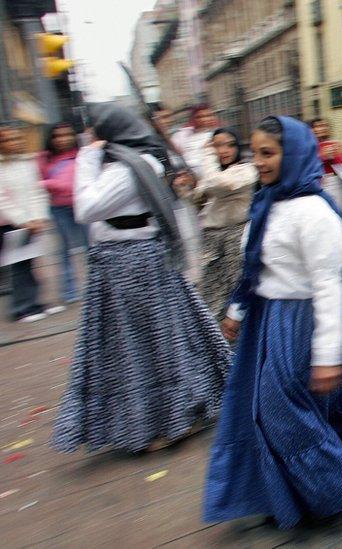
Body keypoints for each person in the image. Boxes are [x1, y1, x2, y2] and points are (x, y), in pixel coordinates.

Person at [204, 116, 342, 529]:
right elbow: (256, 268)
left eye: (268, 153)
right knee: (268, 410)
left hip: (301, 324)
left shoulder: (314, 212)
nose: (260, 162)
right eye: (255, 153)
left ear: (294, 153)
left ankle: (334, 486)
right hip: (268, 321)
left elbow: (329, 288)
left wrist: (328, 356)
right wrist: (237, 310)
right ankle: (297, 493)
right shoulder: (268, 201)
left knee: (279, 412)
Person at [50, 104, 229, 453]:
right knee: (136, 348)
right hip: (121, 264)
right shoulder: (125, 164)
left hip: (136, 265)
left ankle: (174, 419)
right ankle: (156, 419)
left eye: (96, 135)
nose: (93, 142)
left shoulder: (134, 166)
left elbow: (86, 210)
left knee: (152, 347)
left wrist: (86, 160)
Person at [178, 127, 257, 320]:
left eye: (229, 145)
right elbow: (202, 204)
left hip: (235, 238)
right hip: (211, 240)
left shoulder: (246, 170)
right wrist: (184, 188)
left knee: (236, 295)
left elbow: (222, 185)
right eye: (218, 146)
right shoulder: (212, 175)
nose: (223, 151)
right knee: (211, 298)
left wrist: (206, 154)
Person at [0, 123, 60, 322]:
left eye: (17, 138)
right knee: (18, 266)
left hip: (32, 222)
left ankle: (33, 303)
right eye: (8, 139)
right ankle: (22, 308)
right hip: (10, 224)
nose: (15, 143)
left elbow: (37, 192)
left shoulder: (27, 162)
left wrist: (39, 217)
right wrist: (23, 220)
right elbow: (2, 199)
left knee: (30, 263)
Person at [39, 122, 88, 304]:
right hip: (59, 209)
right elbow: (40, 182)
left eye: (67, 135)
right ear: (51, 139)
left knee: (91, 248)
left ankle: (97, 287)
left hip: (83, 206)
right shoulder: (44, 158)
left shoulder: (82, 154)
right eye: (58, 136)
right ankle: (69, 291)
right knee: (64, 250)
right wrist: (51, 184)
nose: (63, 139)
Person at [310, 117, 342, 212]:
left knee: (338, 213)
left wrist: (335, 156)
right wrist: (322, 157)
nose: (321, 128)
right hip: (317, 183)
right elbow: (307, 165)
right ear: (311, 130)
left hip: (335, 182)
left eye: (324, 125)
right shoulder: (309, 146)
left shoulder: (335, 144)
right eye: (317, 126)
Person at [171, 104, 219, 179]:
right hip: (185, 174)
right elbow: (174, 155)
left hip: (210, 173)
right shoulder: (181, 135)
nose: (204, 119)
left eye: (208, 115)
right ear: (193, 118)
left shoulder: (218, 134)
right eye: (199, 117)